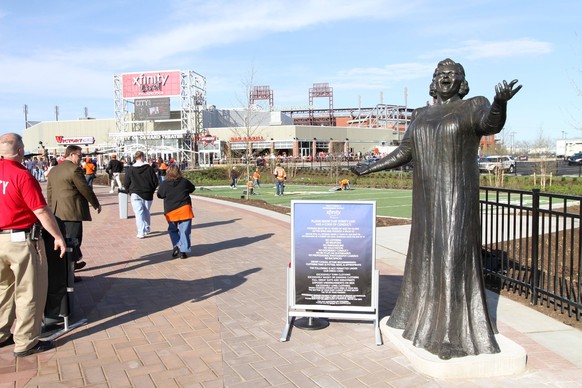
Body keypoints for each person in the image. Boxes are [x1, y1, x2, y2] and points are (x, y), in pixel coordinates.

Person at [353, 58, 521, 360]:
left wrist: (499, 103)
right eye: (441, 75)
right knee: (426, 257)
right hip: (427, 202)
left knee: (452, 257)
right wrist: (370, 167)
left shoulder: (473, 106)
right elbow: (406, 151)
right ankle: (419, 319)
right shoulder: (420, 114)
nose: (446, 79)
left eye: (452, 75)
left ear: (461, 81)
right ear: (434, 80)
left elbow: (490, 124)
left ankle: (452, 335)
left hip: (457, 196)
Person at [0, 133, 67, 357]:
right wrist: (57, 235)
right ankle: (25, 342)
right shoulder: (22, 175)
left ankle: (1, 333)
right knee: (29, 291)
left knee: (3, 289)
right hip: (21, 240)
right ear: (20, 151)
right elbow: (40, 210)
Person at [47, 145, 102, 277]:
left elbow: (49, 191)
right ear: (71, 155)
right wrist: (95, 203)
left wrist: (50, 209)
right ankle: (69, 274)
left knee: (65, 240)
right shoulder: (74, 170)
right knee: (73, 241)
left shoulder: (54, 170)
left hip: (57, 211)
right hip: (72, 211)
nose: (81, 159)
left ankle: (73, 264)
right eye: (79, 156)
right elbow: (85, 188)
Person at [156, 165, 195, 259]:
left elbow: (160, 195)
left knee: (172, 229)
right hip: (184, 208)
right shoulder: (184, 181)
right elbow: (192, 188)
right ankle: (183, 250)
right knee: (184, 231)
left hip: (171, 210)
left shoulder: (165, 183)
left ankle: (177, 245)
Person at [124, 151, 158, 239]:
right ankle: (147, 228)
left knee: (139, 213)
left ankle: (141, 232)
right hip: (147, 193)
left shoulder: (130, 169)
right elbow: (155, 181)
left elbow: (126, 182)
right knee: (146, 211)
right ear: (142, 157)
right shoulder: (149, 168)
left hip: (135, 192)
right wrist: (152, 190)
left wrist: (129, 191)